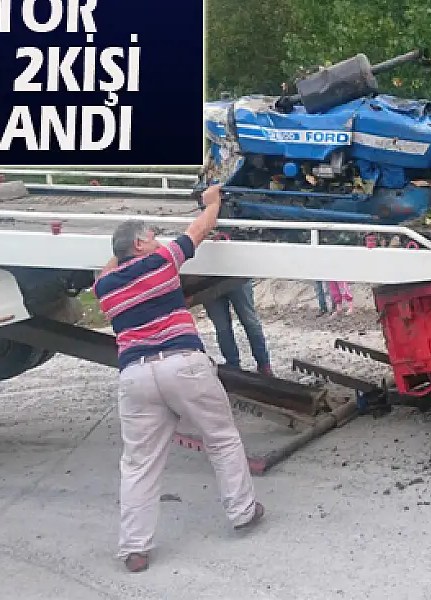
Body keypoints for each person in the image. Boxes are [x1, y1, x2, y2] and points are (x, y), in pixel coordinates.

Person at [93, 183, 264, 574]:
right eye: (151, 236)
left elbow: (107, 267)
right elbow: (198, 230)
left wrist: (122, 249)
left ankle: (135, 548)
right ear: (140, 245)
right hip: (182, 363)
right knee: (221, 438)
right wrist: (212, 203)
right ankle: (242, 512)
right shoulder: (161, 261)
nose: (158, 240)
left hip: (135, 375)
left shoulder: (104, 288)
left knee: (138, 464)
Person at [202, 279, 273, 375]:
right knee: (223, 328)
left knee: (250, 322)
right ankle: (234, 368)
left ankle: (264, 364)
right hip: (207, 283)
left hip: (236, 277)